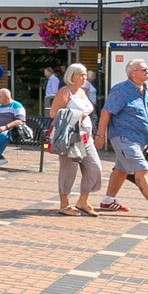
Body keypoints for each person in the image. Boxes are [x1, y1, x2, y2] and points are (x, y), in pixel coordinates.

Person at [98, 59, 148, 218]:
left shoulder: (145, 89)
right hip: (124, 137)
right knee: (142, 169)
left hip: (140, 139)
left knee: (121, 169)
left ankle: (108, 200)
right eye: (144, 70)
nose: (147, 72)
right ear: (132, 73)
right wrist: (100, 135)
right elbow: (106, 112)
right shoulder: (120, 90)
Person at [50, 63, 101, 216]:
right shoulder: (64, 92)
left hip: (86, 137)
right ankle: (64, 204)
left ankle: (82, 201)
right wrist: (77, 115)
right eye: (81, 74)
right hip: (71, 137)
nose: (84, 77)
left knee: (95, 168)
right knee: (68, 170)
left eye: (85, 74)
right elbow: (54, 113)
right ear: (71, 76)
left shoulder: (82, 91)